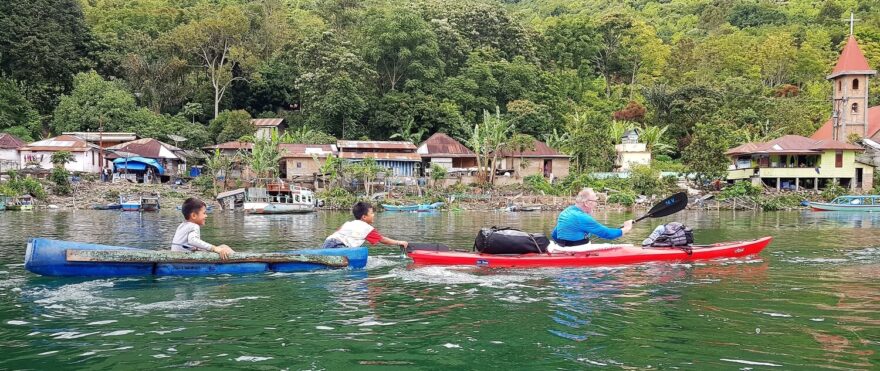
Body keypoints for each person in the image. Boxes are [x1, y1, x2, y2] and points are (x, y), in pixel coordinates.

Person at [550, 188, 633, 252]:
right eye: (595, 201)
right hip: (577, 250)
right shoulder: (582, 217)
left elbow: (554, 234)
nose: (596, 204)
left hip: (563, 248)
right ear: (587, 203)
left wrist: (565, 246)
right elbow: (608, 234)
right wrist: (626, 228)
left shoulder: (566, 212)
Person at [322, 201, 408, 249]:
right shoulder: (367, 228)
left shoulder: (348, 223)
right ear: (364, 217)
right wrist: (399, 242)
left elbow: (337, 232)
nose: (373, 215)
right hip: (339, 246)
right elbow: (382, 239)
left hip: (327, 242)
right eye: (371, 213)